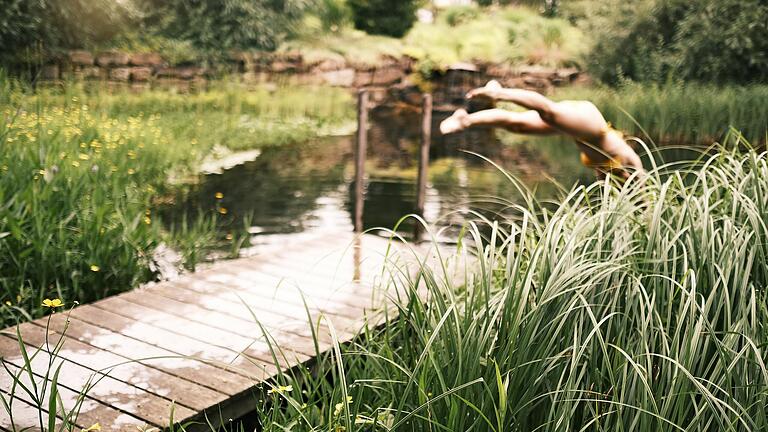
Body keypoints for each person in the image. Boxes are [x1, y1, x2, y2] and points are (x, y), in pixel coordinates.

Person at [440, 80, 644, 180]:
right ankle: (499, 93)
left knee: (516, 124)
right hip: (591, 125)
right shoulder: (629, 158)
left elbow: (606, 190)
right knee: (548, 111)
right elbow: (643, 180)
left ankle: (465, 120)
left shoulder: (609, 171)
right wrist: (646, 209)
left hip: (575, 130)